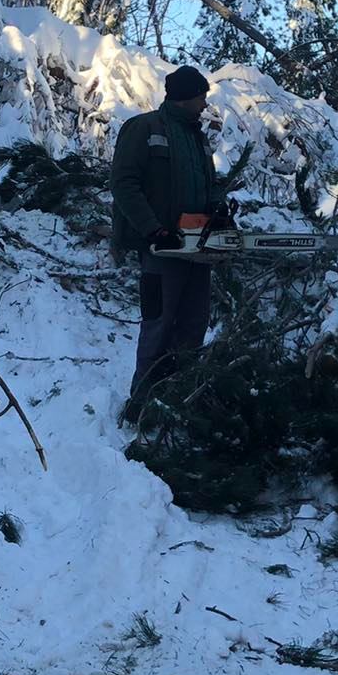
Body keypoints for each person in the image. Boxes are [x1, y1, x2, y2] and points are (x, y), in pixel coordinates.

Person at [110, 64, 232, 413]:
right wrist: (151, 228)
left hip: (196, 247)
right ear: (184, 97)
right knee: (158, 324)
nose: (204, 105)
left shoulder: (197, 137)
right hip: (160, 248)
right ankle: (143, 403)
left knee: (194, 323)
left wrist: (218, 210)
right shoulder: (144, 128)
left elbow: (208, 184)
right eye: (200, 97)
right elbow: (124, 184)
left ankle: (178, 397)